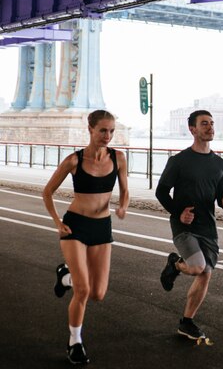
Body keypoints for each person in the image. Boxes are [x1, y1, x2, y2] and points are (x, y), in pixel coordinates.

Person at [43, 109, 129, 364]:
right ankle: (75, 342)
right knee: (83, 290)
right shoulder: (74, 160)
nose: (108, 136)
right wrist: (58, 222)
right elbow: (47, 192)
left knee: (98, 293)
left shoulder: (119, 158)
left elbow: (125, 191)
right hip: (75, 226)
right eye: (103, 130)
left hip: (102, 228)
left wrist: (123, 206)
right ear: (90, 129)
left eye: (112, 131)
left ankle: (65, 276)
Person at [156, 110, 223, 340]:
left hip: (208, 227)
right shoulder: (179, 161)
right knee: (198, 266)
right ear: (192, 129)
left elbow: (221, 193)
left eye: (211, 123)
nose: (210, 127)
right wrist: (178, 214)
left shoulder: (220, 163)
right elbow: (161, 191)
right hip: (184, 226)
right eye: (204, 124)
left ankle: (186, 322)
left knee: (205, 274)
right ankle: (175, 264)